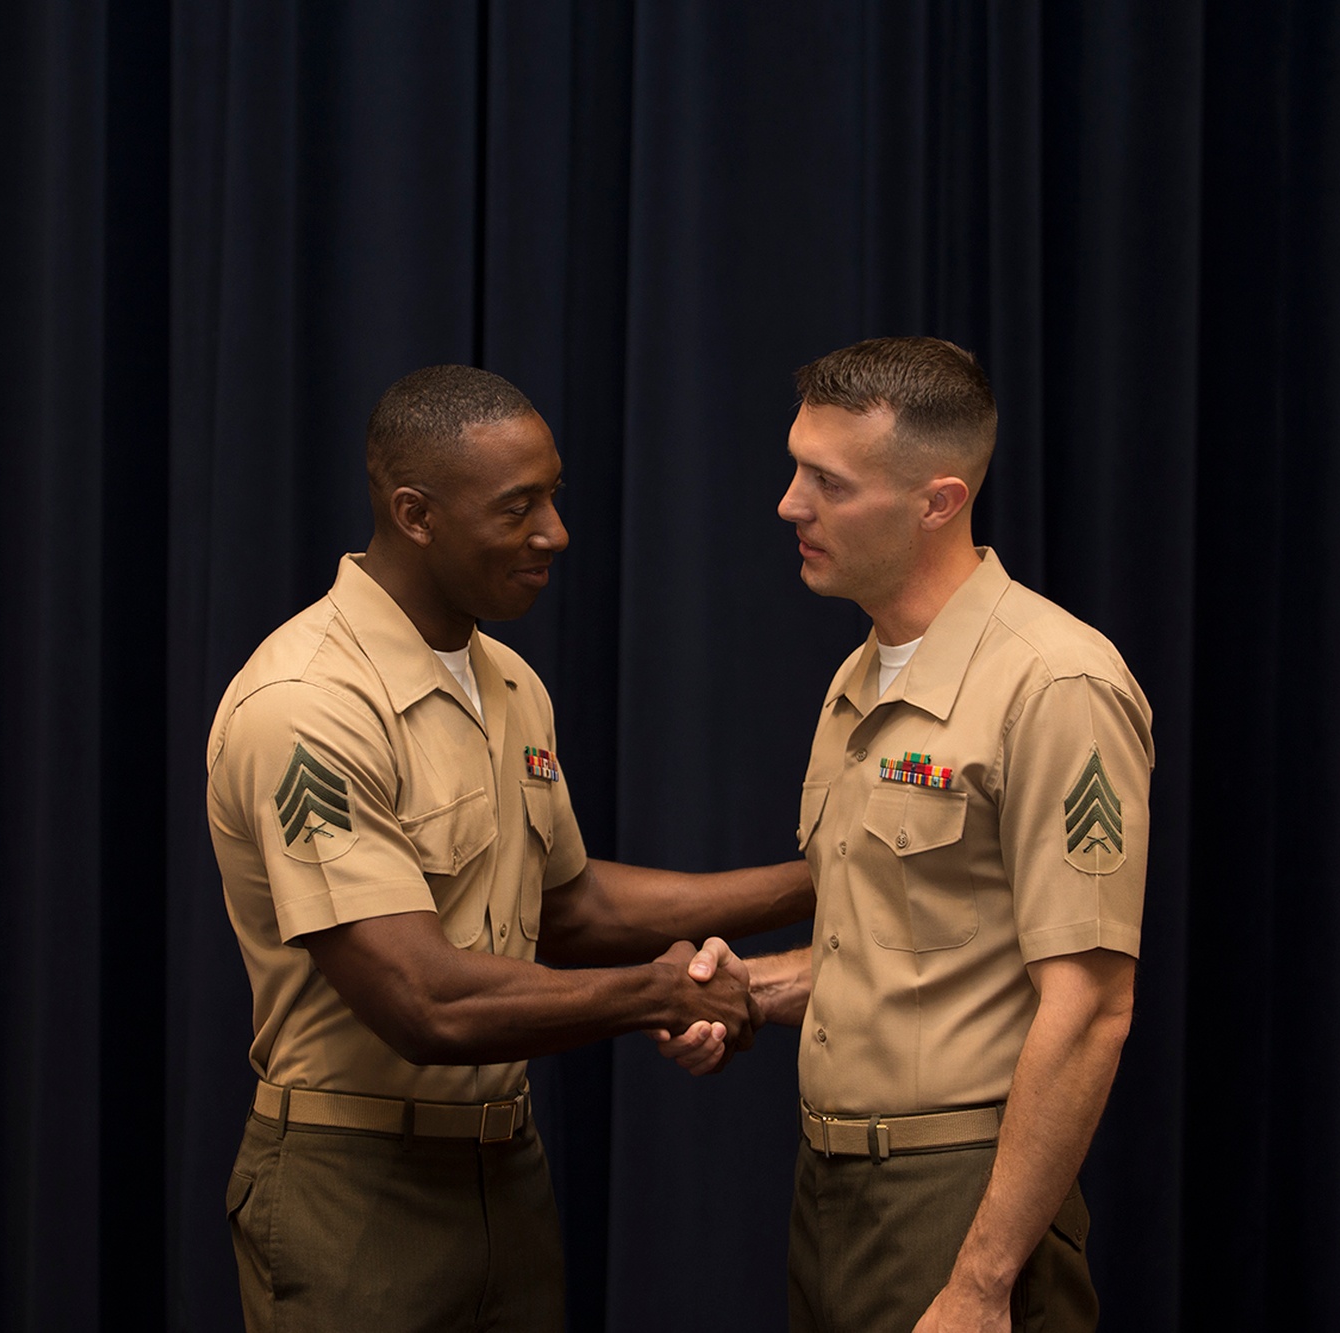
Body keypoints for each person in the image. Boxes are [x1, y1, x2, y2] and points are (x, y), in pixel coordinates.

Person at [205, 364, 813, 1333]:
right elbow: (422, 1000)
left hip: (505, 1170)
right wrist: (656, 994)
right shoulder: (308, 706)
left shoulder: (509, 683)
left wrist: (820, 879)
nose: (554, 534)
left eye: (554, 496)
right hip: (355, 1186)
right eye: (517, 507)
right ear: (414, 513)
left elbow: (568, 909)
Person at [700, 336, 1152, 1332]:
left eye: (825, 480)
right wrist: (751, 990)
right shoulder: (859, 676)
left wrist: (982, 1279)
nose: (787, 503)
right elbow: (907, 946)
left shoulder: (1055, 682)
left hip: (957, 1196)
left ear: (936, 501)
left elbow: (1088, 1008)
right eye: (792, 467)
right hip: (829, 1189)